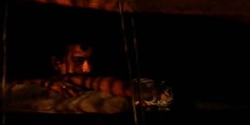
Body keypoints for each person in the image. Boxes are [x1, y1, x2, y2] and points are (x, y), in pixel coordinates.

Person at [25, 40, 173, 107]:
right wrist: (47, 83)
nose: (87, 69)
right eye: (78, 61)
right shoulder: (39, 86)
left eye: (89, 60)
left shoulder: (99, 82)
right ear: (57, 63)